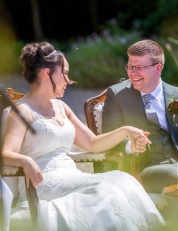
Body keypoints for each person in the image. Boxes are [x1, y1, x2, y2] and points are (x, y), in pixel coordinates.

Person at [1, 41, 166, 231]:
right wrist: (25, 161)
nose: (69, 80)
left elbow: (93, 143)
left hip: (71, 176)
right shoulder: (22, 111)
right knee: (105, 189)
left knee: (122, 179)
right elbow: (6, 153)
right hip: (42, 183)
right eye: (64, 73)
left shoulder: (61, 107)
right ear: (47, 73)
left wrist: (125, 130)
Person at [102, 39, 178, 194]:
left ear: (158, 69)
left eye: (139, 67)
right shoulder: (117, 95)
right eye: (130, 66)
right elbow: (108, 137)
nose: (132, 73)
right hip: (144, 168)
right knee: (175, 175)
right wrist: (131, 145)